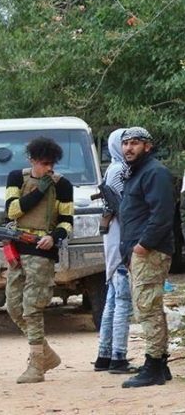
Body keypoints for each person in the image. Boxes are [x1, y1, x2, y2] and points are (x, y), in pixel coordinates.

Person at [4, 136, 73, 384]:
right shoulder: (16, 178)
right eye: (44, 163)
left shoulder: (62, 185)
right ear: (32, 160)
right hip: (18, 249)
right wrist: (39, 191)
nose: (49, 169)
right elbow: (12, 211)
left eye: (52, 164)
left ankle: (36, 365)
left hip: (42, 252)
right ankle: (47, 355)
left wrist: (54, 237)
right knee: (13, 306)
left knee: (32, 308)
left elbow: (67, 222)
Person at [117, 127, 175, 388]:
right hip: (138, 252)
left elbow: (162, 214)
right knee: (148, 307)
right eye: (125, 143)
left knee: (147, 308)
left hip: (150, 252)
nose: (129, 148)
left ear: (147, 146)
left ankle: (153, 366)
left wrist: (143, 246)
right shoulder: (136, 172)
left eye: (135, 143)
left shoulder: (155, 172)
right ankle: (159, 364)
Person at [94, 129, 134, 373]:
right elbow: (126, 208)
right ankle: (118, 357)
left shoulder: (113, 168)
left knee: (112, 300)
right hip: (121, 242)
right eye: (125, 142)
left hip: (114, 242)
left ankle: (104, 355)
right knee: (123, 301)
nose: (129, 147)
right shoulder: (120, 171)